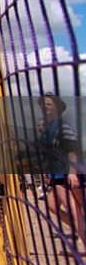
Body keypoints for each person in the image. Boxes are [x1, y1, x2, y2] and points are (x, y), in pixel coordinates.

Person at [37, 93, 86, 246]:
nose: (45, 107)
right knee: (53, 206)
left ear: (57, 109)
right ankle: (81, 232)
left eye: (49, 104)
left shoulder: (62, 126)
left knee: (76, 208)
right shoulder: (47, 130)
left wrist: (72, 173)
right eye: (43, 104)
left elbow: (72, 150)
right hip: (57, 173)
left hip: (70, 173)